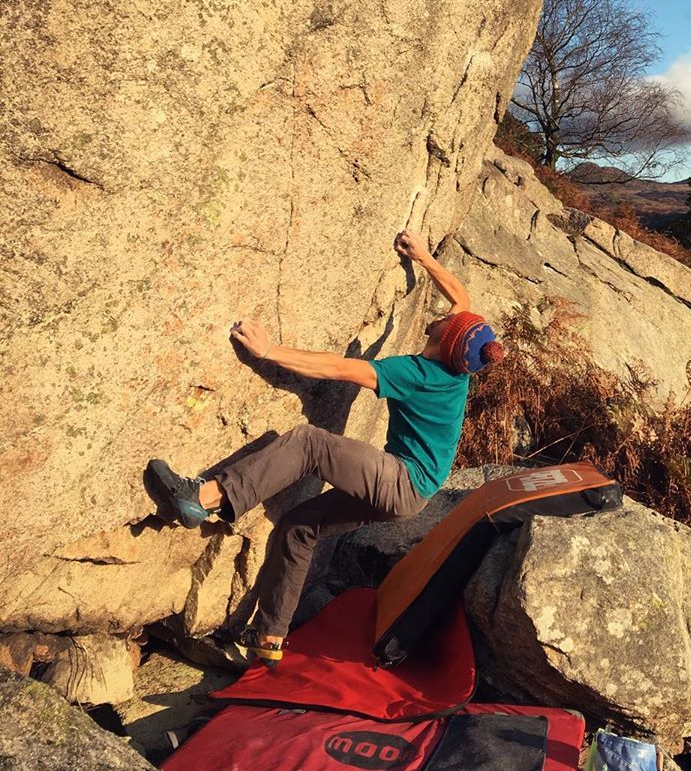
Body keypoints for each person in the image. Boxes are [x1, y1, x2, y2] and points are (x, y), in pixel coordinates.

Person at [146, 228, 503, 666]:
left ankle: (201, 497)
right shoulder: (459, 361)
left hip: (401, 481)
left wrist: (270, 350)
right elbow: (461, 296)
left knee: (309, 442)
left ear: (445, 339)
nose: (450, 312)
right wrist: (425, 259)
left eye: (451, 319)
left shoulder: (419, 374)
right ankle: (270, 637)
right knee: (299, 526)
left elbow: (339, 368)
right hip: (413, 495)